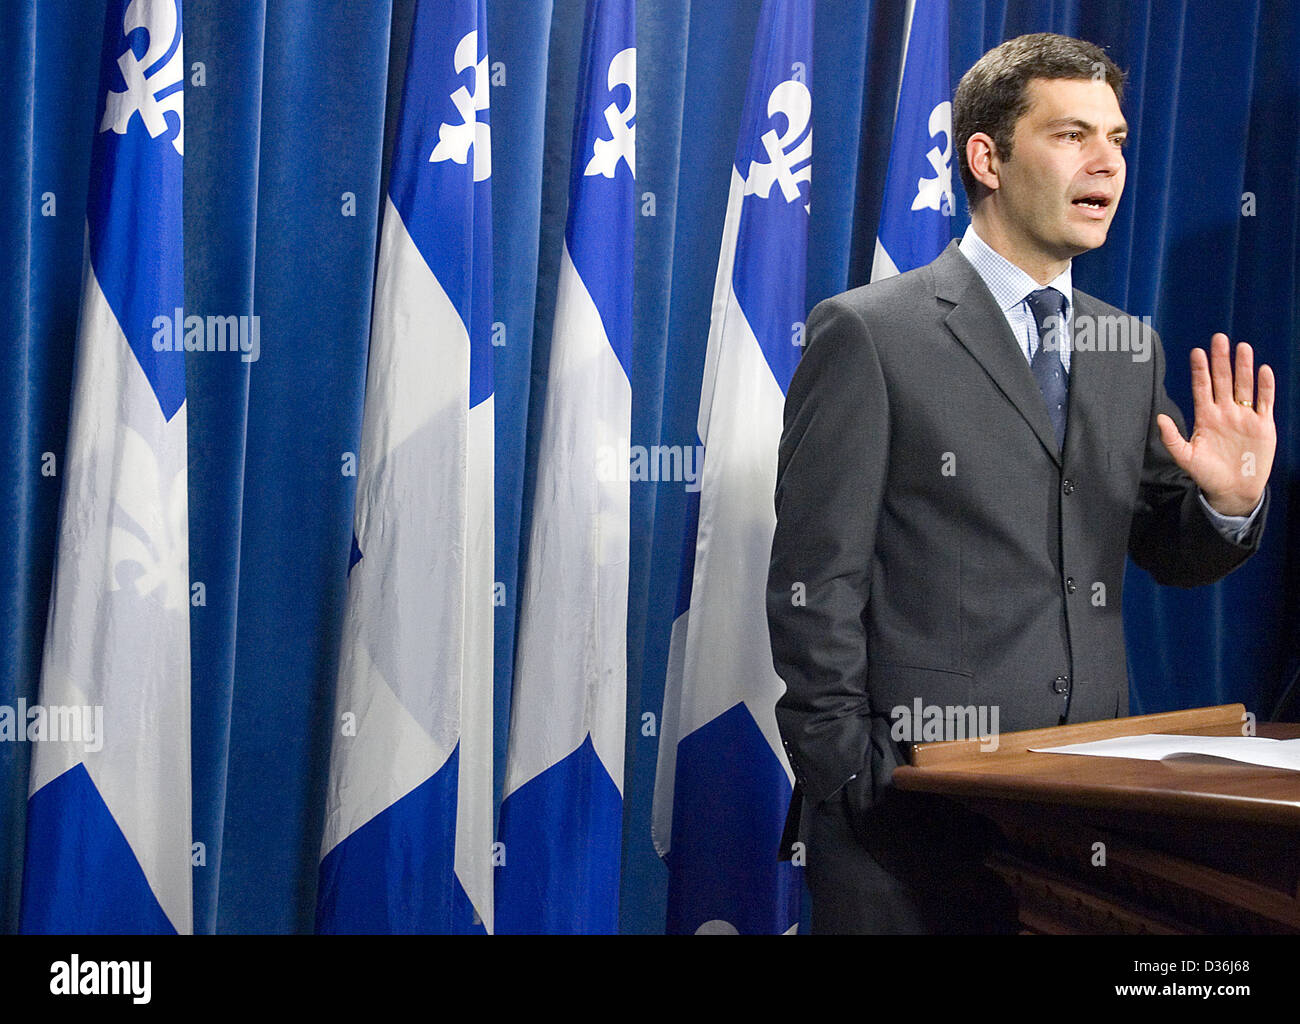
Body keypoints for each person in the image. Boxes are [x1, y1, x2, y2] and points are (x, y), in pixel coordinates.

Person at [766, 33, 1276, 934]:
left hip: (1088, 811)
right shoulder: (869, 334)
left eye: (1117, 139)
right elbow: (815, 583)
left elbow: (1166, 549)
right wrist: (850, 770)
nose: (1108, 163)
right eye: (1072, 134)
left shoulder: (1127, 346)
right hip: (911, 817)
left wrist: (1224, 505)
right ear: (987, 157)